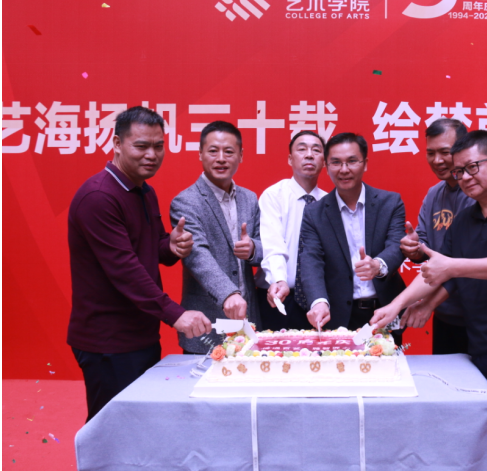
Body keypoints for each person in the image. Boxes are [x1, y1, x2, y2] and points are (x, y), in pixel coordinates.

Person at [372, 130, 487, 471]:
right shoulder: (463, 221)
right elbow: (439, 273)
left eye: (473, 167)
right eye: (459, 171)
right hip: (481, 351)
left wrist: (451, 267)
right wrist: (395, 305)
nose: (465, 177)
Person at [67, 106, 212, 422]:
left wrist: (171, 246)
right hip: (108, 340)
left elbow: (151, 248)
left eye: (159, 146)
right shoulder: (98, 197)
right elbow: (125, 270)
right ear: (117, 144)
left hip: (140, 333)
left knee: (140, 429)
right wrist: (176, 314)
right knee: (113, 431)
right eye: (142, 146)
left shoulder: (144, 190)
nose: (152, 155)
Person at [170, 121, 263, 354]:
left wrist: (253, 249)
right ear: (200, 154)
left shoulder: (250, 199)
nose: (221, 158)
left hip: (248, 324)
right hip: (206, 325)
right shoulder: (185, 201)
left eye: (229, 151)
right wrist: (228, 293)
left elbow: (265, 247)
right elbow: (197, 255)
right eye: (213, 151)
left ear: (241, 155)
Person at [300, 132, 407, 335]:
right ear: (326, 166)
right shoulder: (314, 213)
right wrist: (318, 301)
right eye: (336, 162)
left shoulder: (390, 202)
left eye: (351, 161)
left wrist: (378, 265)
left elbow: (396, 244)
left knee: (387, 356)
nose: (344, 170)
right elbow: (311, 261)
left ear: (365, 164)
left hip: (385, 309)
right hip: (338, 315)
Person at [399, 119, 475, 354]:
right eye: (430, 153)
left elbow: (465, 263)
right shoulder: (434, 194)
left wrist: (427, 303)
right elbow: (426, 247)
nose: (437, 160)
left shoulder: (476, 194)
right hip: (444, 314)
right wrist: (415, 248)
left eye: (444, 152)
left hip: (477, 315)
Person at [257, 131, 327, 330]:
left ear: (324, 161)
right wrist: (279, 280)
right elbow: (273, 244)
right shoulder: (274, 195)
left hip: (318, 302)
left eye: (316, 150)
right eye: (302, 149)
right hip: (278, 297)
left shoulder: (328, 202)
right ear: (290, 159)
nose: (309, 155)